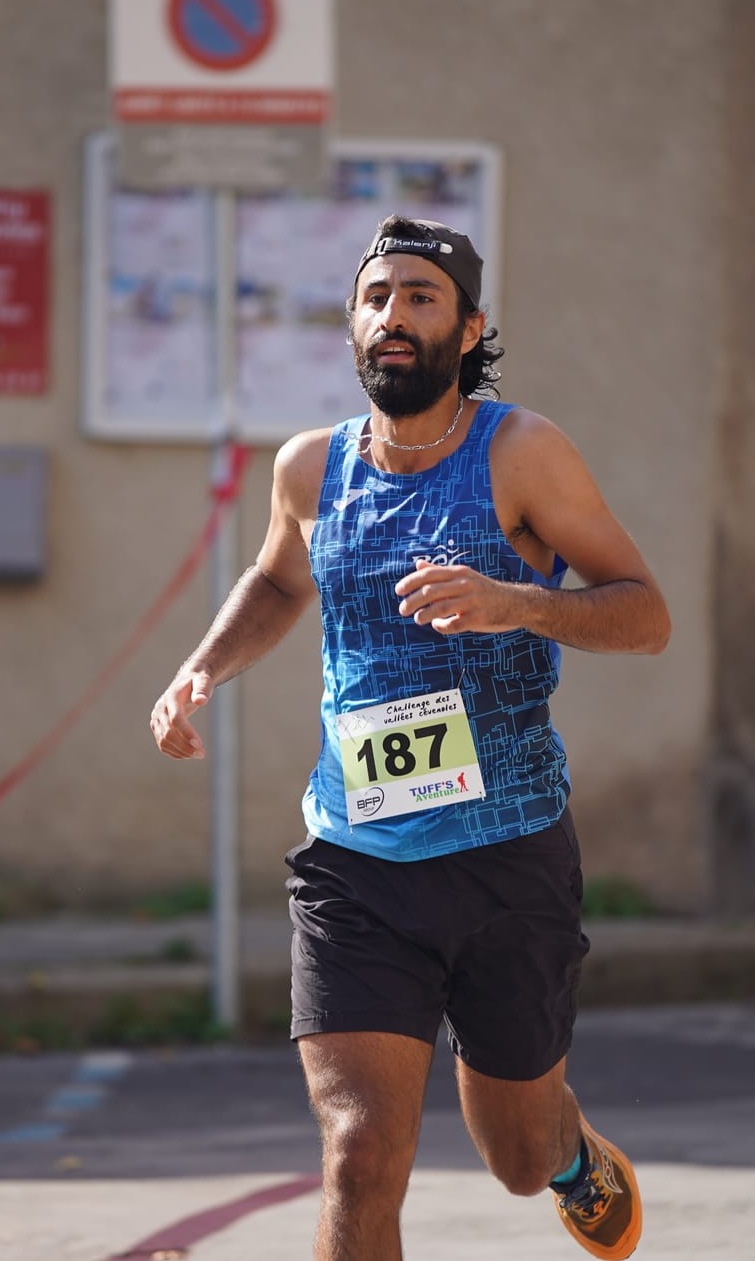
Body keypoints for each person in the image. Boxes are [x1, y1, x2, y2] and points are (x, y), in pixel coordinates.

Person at [149, 215, 669, 1260]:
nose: (392, 314)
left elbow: (643, 612)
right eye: (376, 296)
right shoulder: (309, 469)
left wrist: (518, 604)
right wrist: (203, 664)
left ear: (469, 327)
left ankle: (567, 1149)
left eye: (420, 297)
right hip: (357, 858)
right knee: (359, 1150)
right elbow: (277, 578)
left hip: (505, 854)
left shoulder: (520, 453)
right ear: (352, 322)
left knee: (514, 1156)